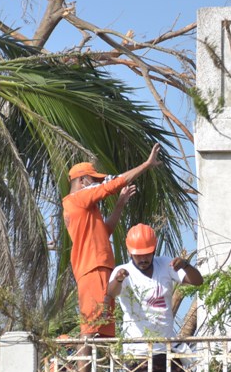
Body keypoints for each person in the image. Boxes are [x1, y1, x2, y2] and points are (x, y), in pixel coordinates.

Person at [62, 145, 161, 338]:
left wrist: (119, 205)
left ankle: (99, 368)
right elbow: (111, 185)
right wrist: (146, 165)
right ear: (82, 181)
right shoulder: (78, 198)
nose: (97, 184)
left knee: (105, 330)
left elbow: (104, 231)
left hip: (101, 267)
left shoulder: (86, 208)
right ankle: (85, 368)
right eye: (94, 180)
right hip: (93, 268)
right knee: (90, 329)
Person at [105, 223, 203, 372]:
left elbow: (197, 281)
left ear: (154, 250)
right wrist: (119, 280)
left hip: (168, 348)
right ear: (129, 252)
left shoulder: (165, 264)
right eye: (138, 255)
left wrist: (185, 265)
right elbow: (111, 293)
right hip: (139, 352)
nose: (143, 260)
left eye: (147, 254)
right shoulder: (122, 271)